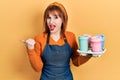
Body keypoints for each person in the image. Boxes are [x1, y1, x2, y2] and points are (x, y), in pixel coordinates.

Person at [23, 2, 92, 80]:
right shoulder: (39, 39)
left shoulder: (70, 37)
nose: (51, 21)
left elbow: (76, 62)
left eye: (55, 17)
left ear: (63, 19)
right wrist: (30, 49)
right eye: (48, 17)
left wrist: (89, 54)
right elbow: (37, 68)